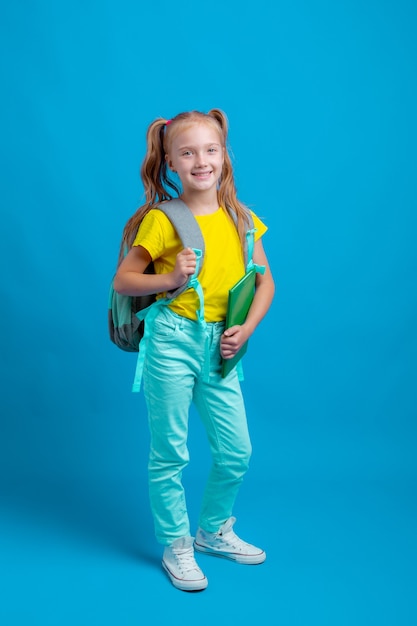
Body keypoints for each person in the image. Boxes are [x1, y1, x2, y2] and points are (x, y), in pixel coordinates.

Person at [114, 109, 275, 591]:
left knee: (236, 451)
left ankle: (212, 531)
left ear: (224, 155)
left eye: (211, 150)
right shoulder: (165, 220)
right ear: (170, 163)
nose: (201, 161)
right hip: (172, 341)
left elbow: (265, 284)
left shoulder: (242, 218)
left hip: (222, 343)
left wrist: (245, 329)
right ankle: (176, 544)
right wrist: (171, 277)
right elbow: (123, 279)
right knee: (171, 452)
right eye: (187, 153)